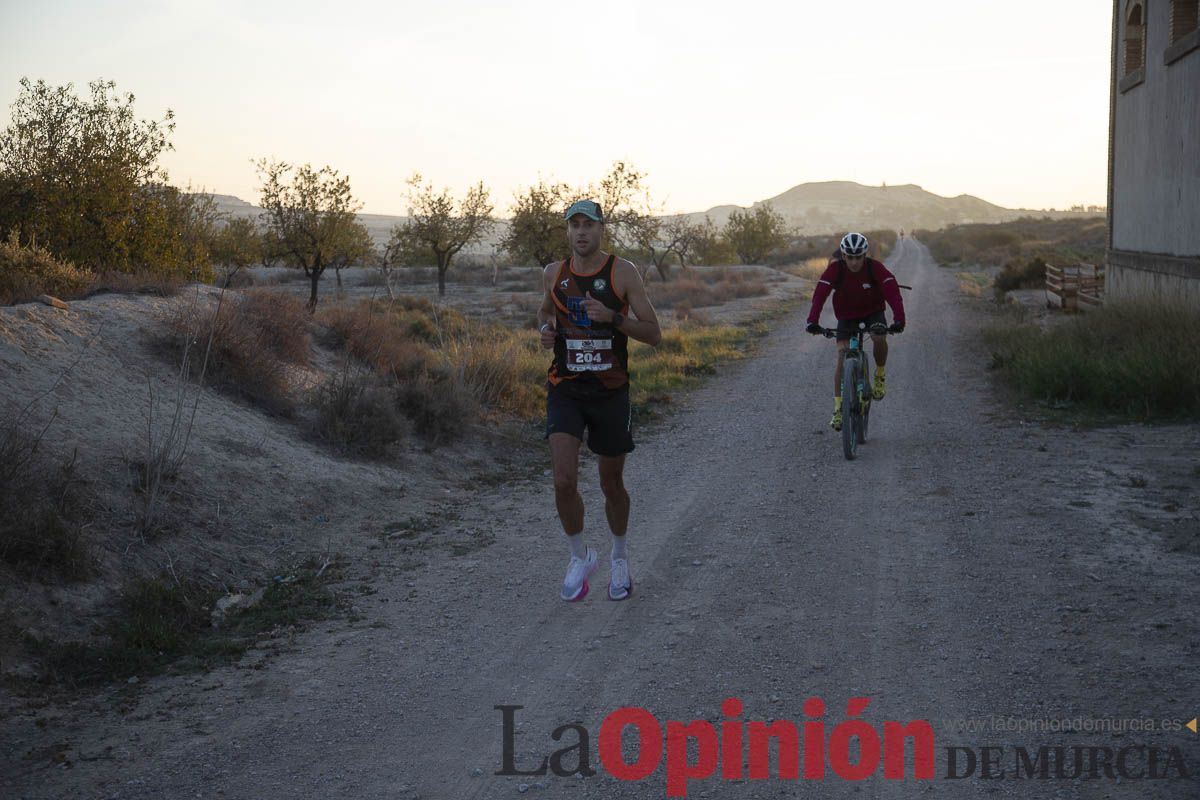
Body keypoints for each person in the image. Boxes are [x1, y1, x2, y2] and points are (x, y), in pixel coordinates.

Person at [537, 199, 661, 601]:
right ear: (567, 231)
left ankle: (619, 557)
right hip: (566, 388)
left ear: (601, 228)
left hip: (610, 391)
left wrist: (613, 318)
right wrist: (545, 330)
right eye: (574, 225)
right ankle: (580, 556)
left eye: (588, 224)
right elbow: (544, 314)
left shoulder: (622, 273)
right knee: (563, 480)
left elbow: (653, 333)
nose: (581, 232)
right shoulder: (553, 274)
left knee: (611, 483)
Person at [805, 232, 906, 432]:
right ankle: (838, 410)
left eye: (858, 257)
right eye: (849, 257)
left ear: (864, 255)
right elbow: (820, 294)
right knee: (842, 357)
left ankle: (879, 374)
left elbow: (892, 291)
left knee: (878, 337)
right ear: (843, 255)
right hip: (847, 315)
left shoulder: (874, 268)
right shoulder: (836, 270)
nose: (853, 262)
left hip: (873, 312)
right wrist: (812, 321)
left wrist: (899, 319)